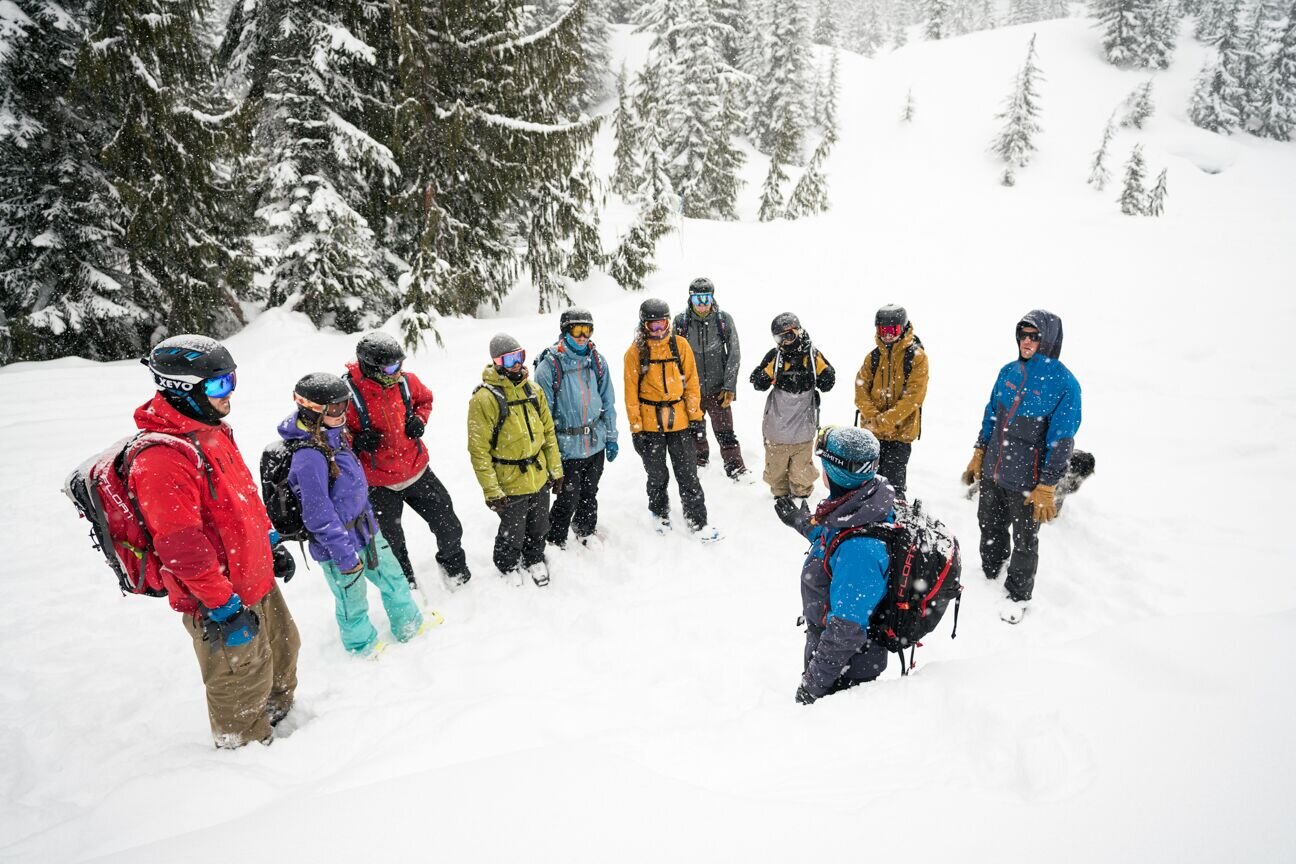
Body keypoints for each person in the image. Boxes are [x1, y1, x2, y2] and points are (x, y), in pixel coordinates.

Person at [134, 335, 300, 748]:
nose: (230, 393)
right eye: (219, 384)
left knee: (282, 655)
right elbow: (182, 549)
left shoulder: (213, 431)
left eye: (232, 380)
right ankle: (244, 752)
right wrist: (223, 606)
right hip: (221, 599)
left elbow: (244, 498)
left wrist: (270, 542)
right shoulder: (161, 459)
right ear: (182, 388)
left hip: (254, 576)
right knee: (241, 682)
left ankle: (280, 721)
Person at [279, 373, 432, 655]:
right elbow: (318, 515)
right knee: (352, 600)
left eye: (345, 404)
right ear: (313, 409)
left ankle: (409, 625)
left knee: (393, 578)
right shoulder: (308, 457)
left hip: (366, 530)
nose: (342, 412)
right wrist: (344, 555)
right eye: (335, 407)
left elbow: (355, 487)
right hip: (338, 546)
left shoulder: (335, 436)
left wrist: (371, 523)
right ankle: (362, 646)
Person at [961, 310, 1081, 624]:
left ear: (1048, 341)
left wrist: (1048, 484)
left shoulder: (1065, 385)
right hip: (994, 470)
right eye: (1023, 335)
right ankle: (990, 572)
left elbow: (1062, 440)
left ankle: (1018, 595)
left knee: (1025, 541)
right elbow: (991, 413)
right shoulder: (1008, 372)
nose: (1026, 342)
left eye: (1034, 337)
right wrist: (979, 451)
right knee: (989, 525)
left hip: (1028, 481)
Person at [773, 426, 894, 704]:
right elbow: (835, 538)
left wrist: (811, 688)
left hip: (847, 670)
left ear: (837, 472)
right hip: (837, 656)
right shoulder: (861, 501)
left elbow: (845, 632)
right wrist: (803, 523)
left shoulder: (859, 550)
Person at [345, 332, 471, 591]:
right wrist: (355, 441)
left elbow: (425, 400)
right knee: (391, 543)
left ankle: (453, 567)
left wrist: (419, 420)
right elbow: (334, 433)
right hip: (378, 483)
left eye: (399, 365)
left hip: (416, 470)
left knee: (448, 525)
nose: (397, 372)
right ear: (370, 367)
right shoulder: (347, 394)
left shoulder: (407, 381)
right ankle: (405, 583)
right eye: (390, 368)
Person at [467, 334, 564, 586]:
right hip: (510, 479)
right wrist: (492, 491)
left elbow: (548, 433)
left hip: (538, 474)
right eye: (509, 360)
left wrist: (556, 470)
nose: (517, 364)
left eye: (519, 356)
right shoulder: (484, 399)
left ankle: (534, 558)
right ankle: (507, 564)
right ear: (496, 362)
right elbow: (479, 450)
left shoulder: (533, 391)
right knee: (514, 530)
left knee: (540, 524)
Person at [624, 298, 720, 540]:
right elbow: (630, 395)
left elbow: (692, 384)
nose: (658, 330)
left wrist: (696, 418)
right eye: (653, 325)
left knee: (688, 474)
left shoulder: (680, 345)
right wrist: (636, 428)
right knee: (657, 475)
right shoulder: (635, 353)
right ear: (644, 325)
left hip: (680, 422)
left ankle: (698, 520)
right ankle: (659, 512)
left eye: (663, 324)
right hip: (650, 424)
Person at [534, 308, 619, 549]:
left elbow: (608, 401)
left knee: (590, 492)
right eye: (577, 330)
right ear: (565, 331)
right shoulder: (549, 367)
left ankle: (585, 529)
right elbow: (543, 416)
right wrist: (550, 453)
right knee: (567, 498)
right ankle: (555, 539)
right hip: (567, 447)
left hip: (595, 443)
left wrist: (611, 436)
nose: (583, 336)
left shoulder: (597, 362)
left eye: (587, 330)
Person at [672, 277, 752, 482]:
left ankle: (735, 467)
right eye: (697, 299)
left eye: (706, 298)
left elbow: (734, 353)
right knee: (695, 431)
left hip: (718, 389)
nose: (702, 304)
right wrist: (680, 388)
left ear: (713, 298)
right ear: (690, 299)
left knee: (725, 431)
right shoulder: (681, 323)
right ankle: (699, 463)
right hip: (692, 391)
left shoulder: (723, 320)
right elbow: (674, 357)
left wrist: (729, 386)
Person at [750, 312, 836, 504]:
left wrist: (825, 377)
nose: (785, 342)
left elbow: (828, 381)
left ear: (798, 331)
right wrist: (762, 378)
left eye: (789, 336)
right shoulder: (776, 357)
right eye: (779, 338)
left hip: (802, 421)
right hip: (778, 421)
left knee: (801, 470)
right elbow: (758, 381)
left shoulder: (812, 356)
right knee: (776, 470)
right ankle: (779, 495)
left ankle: (801, 494)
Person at [854, 304, 929, 498]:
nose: (887, 335)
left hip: (900, 434)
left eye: (892, 330)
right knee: (867, 483)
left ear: (903, 328)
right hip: (873, 433)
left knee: (893, 486)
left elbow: (914, 397)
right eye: (883, 330)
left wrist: (887, 420)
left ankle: (895, 513)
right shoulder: (873, 357)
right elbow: (861, 390)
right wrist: (873, 417)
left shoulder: (916, 357)